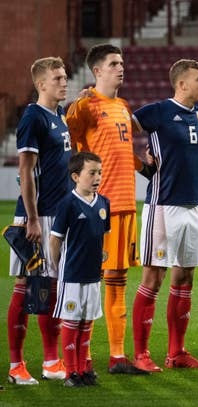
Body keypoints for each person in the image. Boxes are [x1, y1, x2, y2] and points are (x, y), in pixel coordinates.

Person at [66, 43, 147, 374]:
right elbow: (66, 140)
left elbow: (124, 149)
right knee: (88, 283)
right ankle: (80, 360)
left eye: (122, 63)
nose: (121, 68)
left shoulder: (123, 105)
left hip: (126, 205)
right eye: (114, 63)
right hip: (97, 210)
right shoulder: (84, 106)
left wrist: (146, 166)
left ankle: (117, 357)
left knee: (117, 281)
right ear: (97, 70)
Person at [130, 59, 198, 372]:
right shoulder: (158, 111)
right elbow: (120, 132)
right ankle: (141, 354)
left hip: (192, 206)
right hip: (162, 206)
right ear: (181, 84)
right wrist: (141, 165)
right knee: (154, 277)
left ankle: (176, 352)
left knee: (185, 277)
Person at [7, 56, 71, 385]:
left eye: (65, 77)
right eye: (58, 78)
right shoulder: (33, 117)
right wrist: (31, 219)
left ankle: (50, 361)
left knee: (50, 290)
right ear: (41, 84)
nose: (64, 82)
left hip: (57, 215)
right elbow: (26, 170)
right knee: (27, 288)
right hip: (36, 216)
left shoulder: (59, 115)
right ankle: (16, 366)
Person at [50, 152, 110, 387]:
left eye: (100, 172)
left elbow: (102, 235)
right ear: (76, 176)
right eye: (92, 173)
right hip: (72, 276)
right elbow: (55, 241)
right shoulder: (67, 204)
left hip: (93, 276)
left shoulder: (104, 203)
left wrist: (101, 256)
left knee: (86, 321)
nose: (97, 177)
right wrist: (58, 269)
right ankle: (71, 372)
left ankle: (84, 369)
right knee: (72, 321)